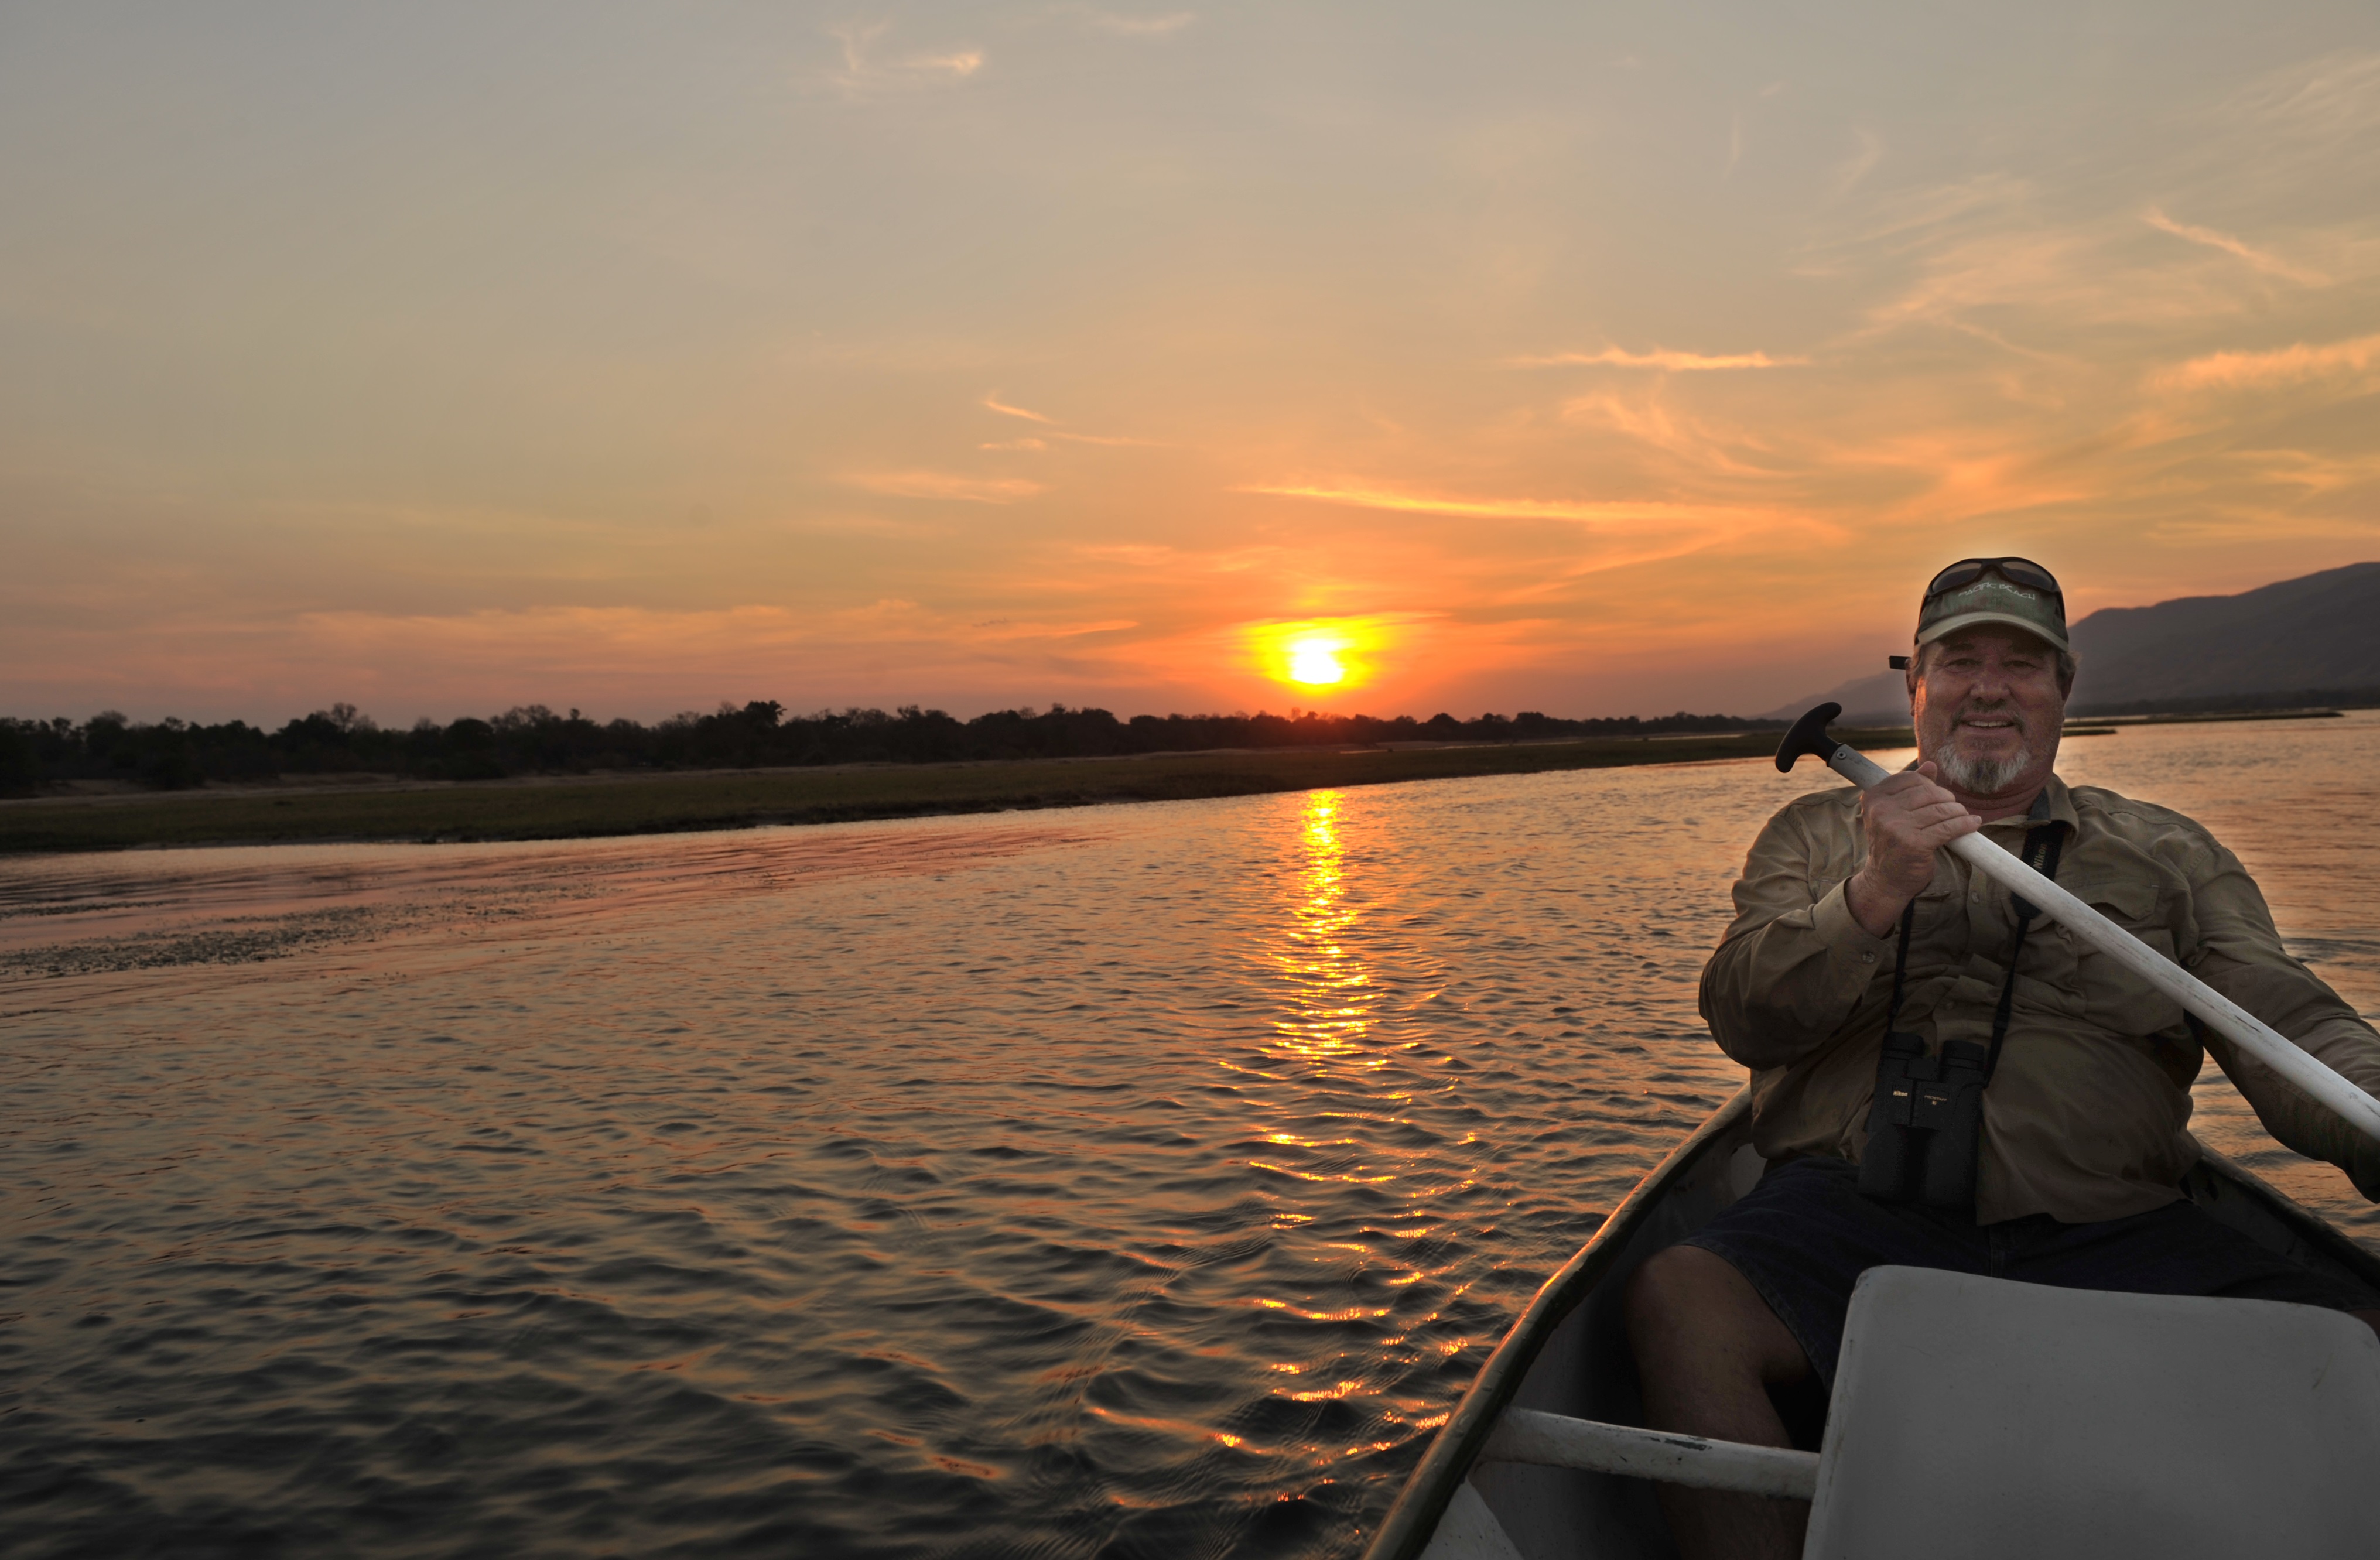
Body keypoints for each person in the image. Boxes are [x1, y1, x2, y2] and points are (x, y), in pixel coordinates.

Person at [1624, 557, 2380, 1560]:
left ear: (2064, 689)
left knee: (2359, 1344)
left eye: (2022, 665)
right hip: (1849, 1216)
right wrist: (1876, 889)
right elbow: (1743, 1018)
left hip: (2115, 1230)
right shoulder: (1816, 833)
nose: (1989, 686)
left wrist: (2369, 1111)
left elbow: (2286, 1023)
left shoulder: (2166, 850)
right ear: (1916, 689)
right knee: (1682, 1301)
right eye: (1960, 661)